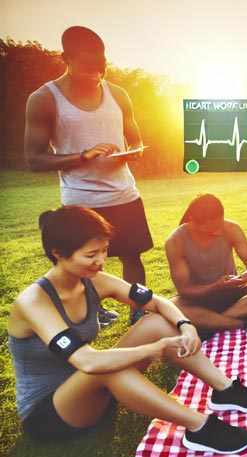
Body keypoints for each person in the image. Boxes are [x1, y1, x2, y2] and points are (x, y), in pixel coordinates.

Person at [8, 206, 247, 454]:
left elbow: (157, 301)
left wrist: (185, 325)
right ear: (58, 253)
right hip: (51, 413)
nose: (101, 262)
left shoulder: (94, 281)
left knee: (157, 322)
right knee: (106, 367)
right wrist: (154, 348)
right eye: (91, 254)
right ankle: (199, 426)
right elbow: (88, 362)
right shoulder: (34, 302)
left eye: (104, 251)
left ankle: (224, 389)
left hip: (95, 390)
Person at [24, 26, 152, 326]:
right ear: (65, 58)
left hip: (124, 193)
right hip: (81, 198)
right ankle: (91, 311)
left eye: (100, 66)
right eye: (87, 67)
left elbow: (135, 139)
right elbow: (34, 159)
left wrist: (134, 151)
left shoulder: (118, 94)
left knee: (132, 256)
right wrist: (83, 155)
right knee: (84, 263)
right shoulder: (44, 99)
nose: (96, 74)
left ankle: (139, 310)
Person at [165, 193, 247, 338]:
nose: (218, 232)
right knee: (172, 306)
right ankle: (243, 324)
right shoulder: (176, 241)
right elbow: (185, 290)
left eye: (219, 225)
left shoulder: (231, 228)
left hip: (232, 295)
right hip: (198, 301)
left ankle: (210, 324)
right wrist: (216, 286)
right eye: (212, 230)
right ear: (193, 222)